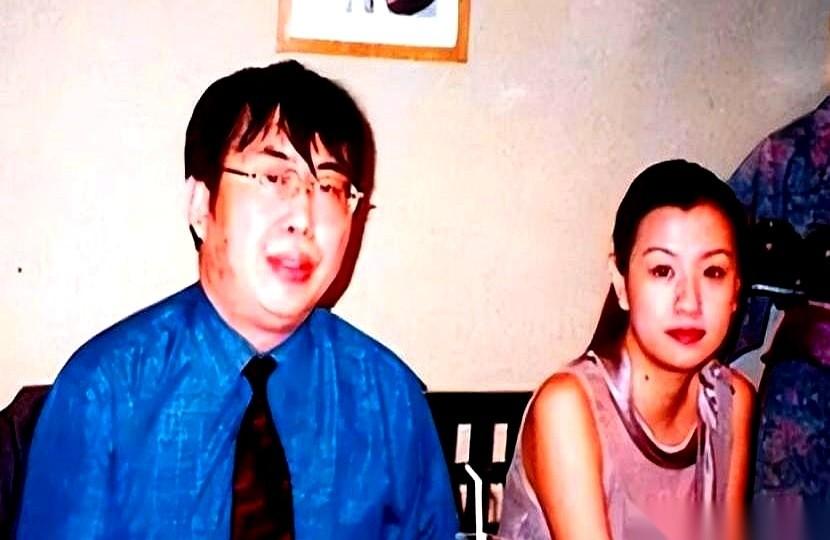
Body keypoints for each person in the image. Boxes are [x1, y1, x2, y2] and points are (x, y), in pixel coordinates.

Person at [16, 60, 458, 539]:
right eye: (274, 178)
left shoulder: (389, 397)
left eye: (329, 186)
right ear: (201, 205)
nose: (304, 218)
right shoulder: (103, 391)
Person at [498, 160, 755, 540]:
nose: (689, 302)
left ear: (736, 290)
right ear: (621, 283)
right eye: (662, 271)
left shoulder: (731, 400)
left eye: (713, 272)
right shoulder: (568, 407)